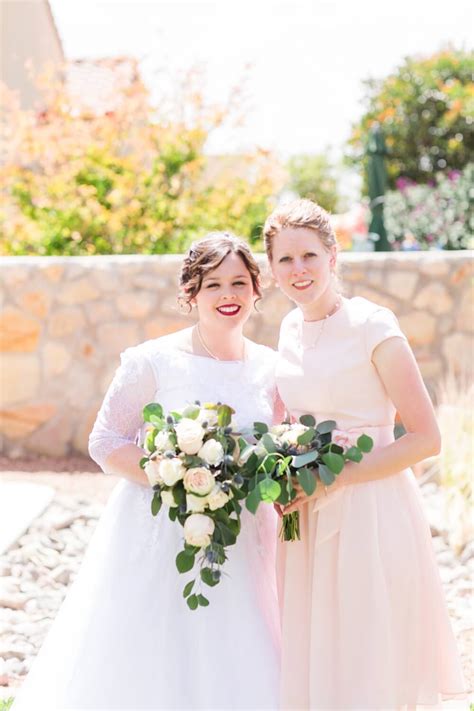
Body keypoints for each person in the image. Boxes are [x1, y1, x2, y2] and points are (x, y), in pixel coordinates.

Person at [12, 233, 281, 711]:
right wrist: (176, 475)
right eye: (213, 283)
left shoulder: (272, 368)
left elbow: (275, 446)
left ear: (256, 290)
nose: (228, 295)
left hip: (242, 534)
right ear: (191, 292)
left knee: (243, 637)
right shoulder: (152, 361)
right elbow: (106, 442)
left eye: (239, 282)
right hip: (163, 527)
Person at [263, 199, 466, 710]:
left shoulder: (374, 325)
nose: (298, 270)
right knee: (316, 639)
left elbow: (425, 437)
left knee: (369, 641)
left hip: (370, 507)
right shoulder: (287, 329)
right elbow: (293, 418)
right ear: (271, 268)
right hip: (305, 510)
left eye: (309, 255)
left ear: (333, 255)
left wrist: (341, 478)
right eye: (285, 260)